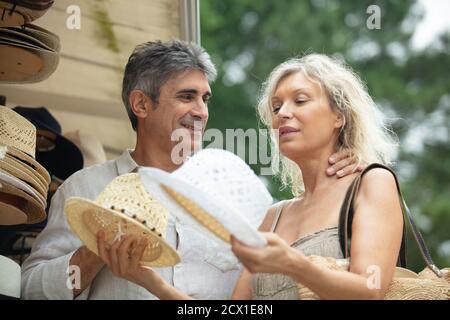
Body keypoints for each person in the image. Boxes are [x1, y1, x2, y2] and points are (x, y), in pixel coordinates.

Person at [21, 42, 360, 300]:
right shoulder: (85, 188)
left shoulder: (234, 192)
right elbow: (30, 289)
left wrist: (338, 168)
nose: (201, 111)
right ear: (141, 104)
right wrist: (92, 254)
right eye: (187, 97)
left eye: (205, 98)